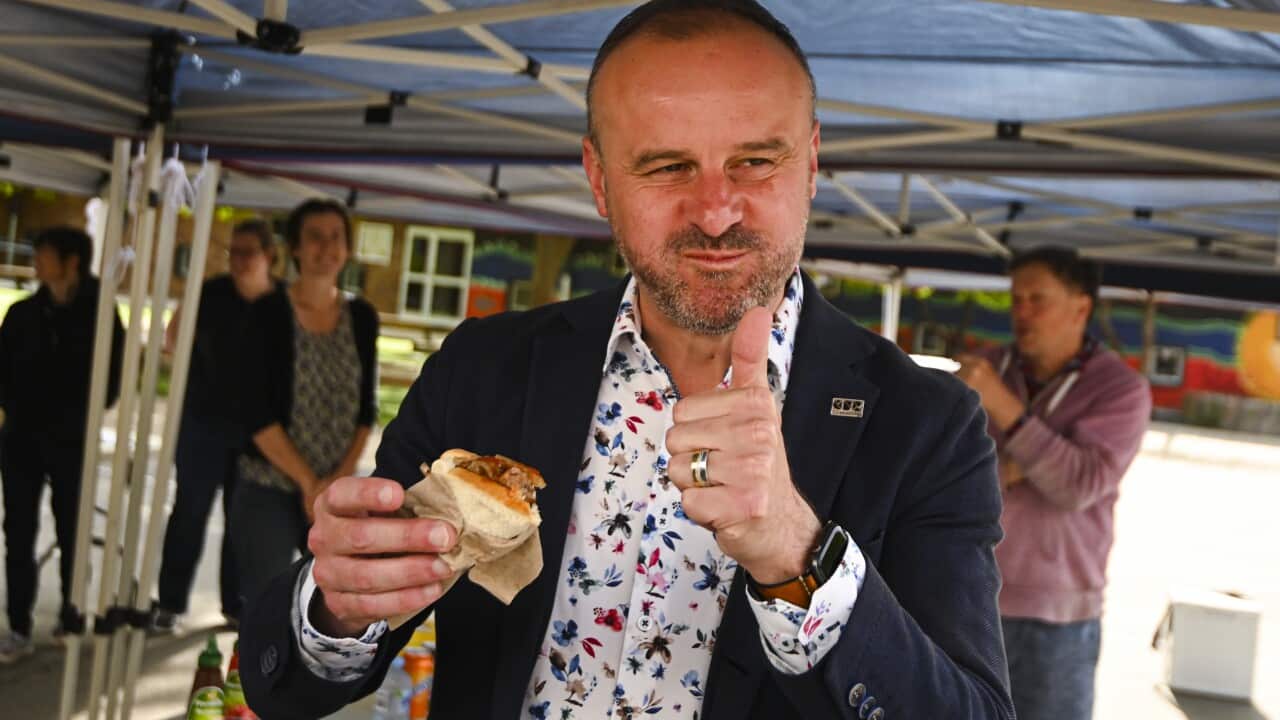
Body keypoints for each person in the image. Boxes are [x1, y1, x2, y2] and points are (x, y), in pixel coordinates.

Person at [240, 3, 1015, 719]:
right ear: (599, 179)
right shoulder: (487, 366)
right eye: (667, 167)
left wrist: (795, 552)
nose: (716, 211)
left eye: (755, 161)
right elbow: (288, 678)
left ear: (811, 162)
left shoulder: (927, 423)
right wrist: (340, 604)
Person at [956, 246, 1151, 720]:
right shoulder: (988, 366)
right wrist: (1041, 456)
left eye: (1036, 299)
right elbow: (946, 470)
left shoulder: (1120, 390)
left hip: (1057, 617)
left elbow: (1078, 486)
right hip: (966, 598)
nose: (1020, 312)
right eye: (1015, 299)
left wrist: (1006, 412)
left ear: (1080, 307)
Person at [230, 199, 378, 609]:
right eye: (314, 237)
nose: (326, 247)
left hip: (336, 489)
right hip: (270, 484)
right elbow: (255, 413)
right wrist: (308, 485)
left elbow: (367, 410)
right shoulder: (265, 313)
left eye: (336, 237)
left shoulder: (362, 316)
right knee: (267, 610)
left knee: (330, 610)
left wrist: (335, 483)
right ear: (294, 247)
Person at [151, 219, 285, 632]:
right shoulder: (211, 293)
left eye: (249, 252)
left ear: (270, 257)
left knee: (241, 520)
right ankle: (170, 602)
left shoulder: (283, 304)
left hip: (259, 433)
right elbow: (171, 340)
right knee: (189, 512)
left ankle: (236, 603)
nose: (240, 260)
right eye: (235, 251)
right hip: (203, 423)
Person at [0, 226, 124, 662]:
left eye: (44, 253)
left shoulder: (101, 315)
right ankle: (17, 622)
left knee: (73, 527)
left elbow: (111, 380)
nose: (36, 261)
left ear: (71, 261)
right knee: (18, 530)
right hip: (21, 440)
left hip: (73, 441)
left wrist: (73, 417)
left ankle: (71, 616)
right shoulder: (21, 314)